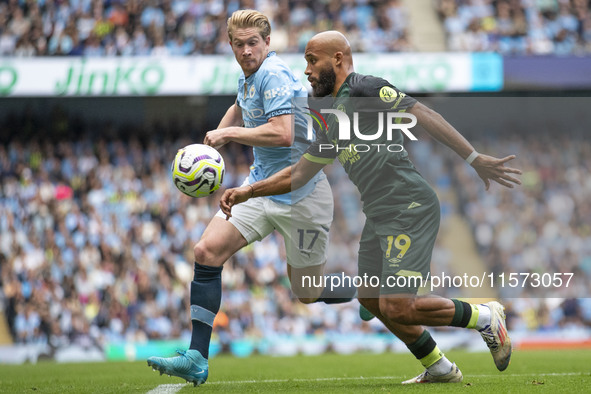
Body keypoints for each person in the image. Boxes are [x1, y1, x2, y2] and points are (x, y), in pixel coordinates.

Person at [220, 31, 522, 384]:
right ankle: (438, 366)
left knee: (398, 305)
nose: (306, 71)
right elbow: (301, 172)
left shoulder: (365, 88)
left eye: (312, 60)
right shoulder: (331, 116)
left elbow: (422, 113)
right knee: (371, 298)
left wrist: (472, 157)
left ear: (337, 59)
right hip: (379, 214)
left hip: (408, 205)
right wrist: (248, 192)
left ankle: (483, 316)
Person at [146, 13, 357, 386]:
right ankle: (196, 357)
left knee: (306, 293)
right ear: (230, 45)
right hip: (260, 187)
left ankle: (366, 290)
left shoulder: (273, 74)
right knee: (206, 251)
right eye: (239, 44)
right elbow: (242, 105)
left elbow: (283, 133)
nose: (246, 51)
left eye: (253, 43)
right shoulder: (250, 77)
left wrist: (230, 132)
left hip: (301, 194)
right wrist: (217, 135)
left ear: (267, 41)